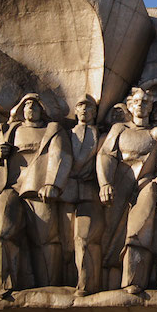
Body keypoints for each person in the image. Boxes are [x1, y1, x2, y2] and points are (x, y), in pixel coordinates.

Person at [0, 94, 70, 297]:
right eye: (27, 105)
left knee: (47, 240)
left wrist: (53, 184)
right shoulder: (12, 130)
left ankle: (50, 287)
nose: (30, 108)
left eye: (35, 105)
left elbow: (62, 156)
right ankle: (2, 285)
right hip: (11, 188)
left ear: (42, 109)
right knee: (1, 231)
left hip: (39, 190)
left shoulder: (52, 130)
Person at [98, 88, 157, 294]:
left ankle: (134, 280)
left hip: (146, 184)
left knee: (140, 230)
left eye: (145, 102)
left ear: (151, 107)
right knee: (111, 236)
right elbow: (106, 155)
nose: (141, 105)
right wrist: (105, 183)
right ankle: (108, 282)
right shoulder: (119, 129)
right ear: (130, 106)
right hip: (118, 186)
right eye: (137, 102)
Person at [62, 97, 104, 296]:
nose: (85, 110)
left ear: (95, 113)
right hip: (66, 192)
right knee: (64, 240)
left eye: (89, 108)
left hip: (89, 191)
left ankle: (86, 283)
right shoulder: (67, 134)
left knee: (84, 238)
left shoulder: (99, 134)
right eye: (81, 107)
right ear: (75, 112)